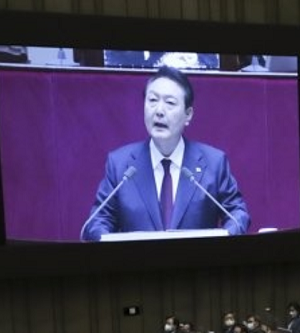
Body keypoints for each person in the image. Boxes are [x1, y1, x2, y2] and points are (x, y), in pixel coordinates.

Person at [82, 66, 250, 240]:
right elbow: (98, 220)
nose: (159, 111)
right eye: (152, 100)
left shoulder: (214, 163)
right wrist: (107, 241)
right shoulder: (120, 164)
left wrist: (228, 237)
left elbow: (237, 212)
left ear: (188, 115)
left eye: (170, 103)